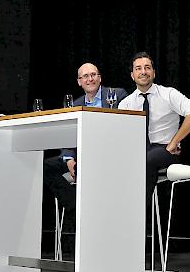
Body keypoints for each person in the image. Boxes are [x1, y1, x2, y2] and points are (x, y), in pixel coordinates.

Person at [43, 62, 128, 219]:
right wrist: (69, 158)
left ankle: (97, 215)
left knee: (86, 168)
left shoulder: (117, 95)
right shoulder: (76, 104)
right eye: (85, 76)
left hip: (107, 155)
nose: (90, 79)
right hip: (80, 155)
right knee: (45, 167)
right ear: (79, 81)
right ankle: (75, 206)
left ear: (100, 78)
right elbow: (67, 135)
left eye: (93, 75)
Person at [118, 52, 190, 207]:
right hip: (138, 152)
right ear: (132, 75)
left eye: (147, 67)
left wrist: (174, 142)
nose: (143, 71)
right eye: (138, 68)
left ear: (154, 73)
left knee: (146, 161)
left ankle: (137, 215)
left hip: (165, 150)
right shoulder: (126, 103)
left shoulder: (168, 94)